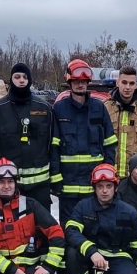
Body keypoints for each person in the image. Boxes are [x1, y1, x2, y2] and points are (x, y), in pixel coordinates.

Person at [63, 163, 137, 274]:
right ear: (94, 188)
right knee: (72, 253)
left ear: (116, 187)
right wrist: (92, 252)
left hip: (118, 255)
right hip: (91, 256)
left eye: (109, 186)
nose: (104, 191)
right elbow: (71, 231)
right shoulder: (83, 206)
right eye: (100, 186)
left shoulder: (128, 212)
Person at [0, 62, 59, 209]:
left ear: (29, 80)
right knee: (11, 228)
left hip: (40, 186)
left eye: (25, 77)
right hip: (9, 184)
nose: (21, 80)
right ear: (11, 79)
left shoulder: (45, 109)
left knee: (42, 228)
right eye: (17, 76)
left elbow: (52, 142)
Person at [52, 58, 117, 223]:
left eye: (83, 81)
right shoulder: (59, 108)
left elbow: (109, 144)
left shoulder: (99, 107)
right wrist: (56, 178)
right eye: (76, 81)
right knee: (69, 229)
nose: (80, 84)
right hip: (68, 185)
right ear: (69, 82)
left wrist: (106, 175)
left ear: (88, 83)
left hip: (93, 184)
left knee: (94, 228)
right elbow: (54, 146)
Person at [103, 65, 137, 171]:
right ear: (117, 83)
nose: (128, 87)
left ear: (136, 85)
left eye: (131, 83)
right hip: (109, 174)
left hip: (133, 177)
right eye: (124, 82)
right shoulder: (104, 108)